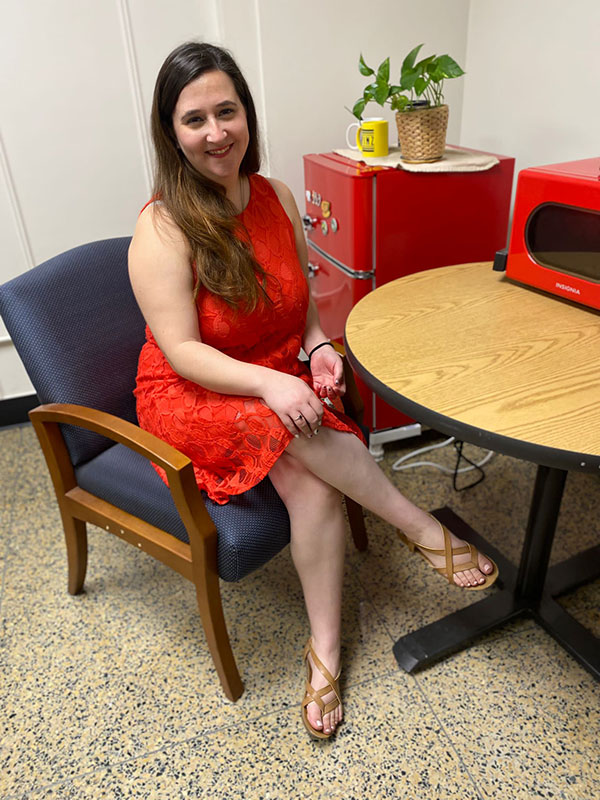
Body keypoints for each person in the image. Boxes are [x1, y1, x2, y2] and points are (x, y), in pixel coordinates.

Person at [129, 41, 498, 740]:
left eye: (227, 111)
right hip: (191, 388)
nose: (216, 133)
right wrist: (273, 381)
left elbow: (298, 304)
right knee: (287, 428)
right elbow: (182, 350)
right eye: (195, 119)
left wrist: (319, 346)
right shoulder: (161, 226)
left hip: (268, 367)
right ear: (170, 133)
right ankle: (419, 526)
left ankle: (323, 651)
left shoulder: (274, 197)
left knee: (314, 479)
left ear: (247, 114)